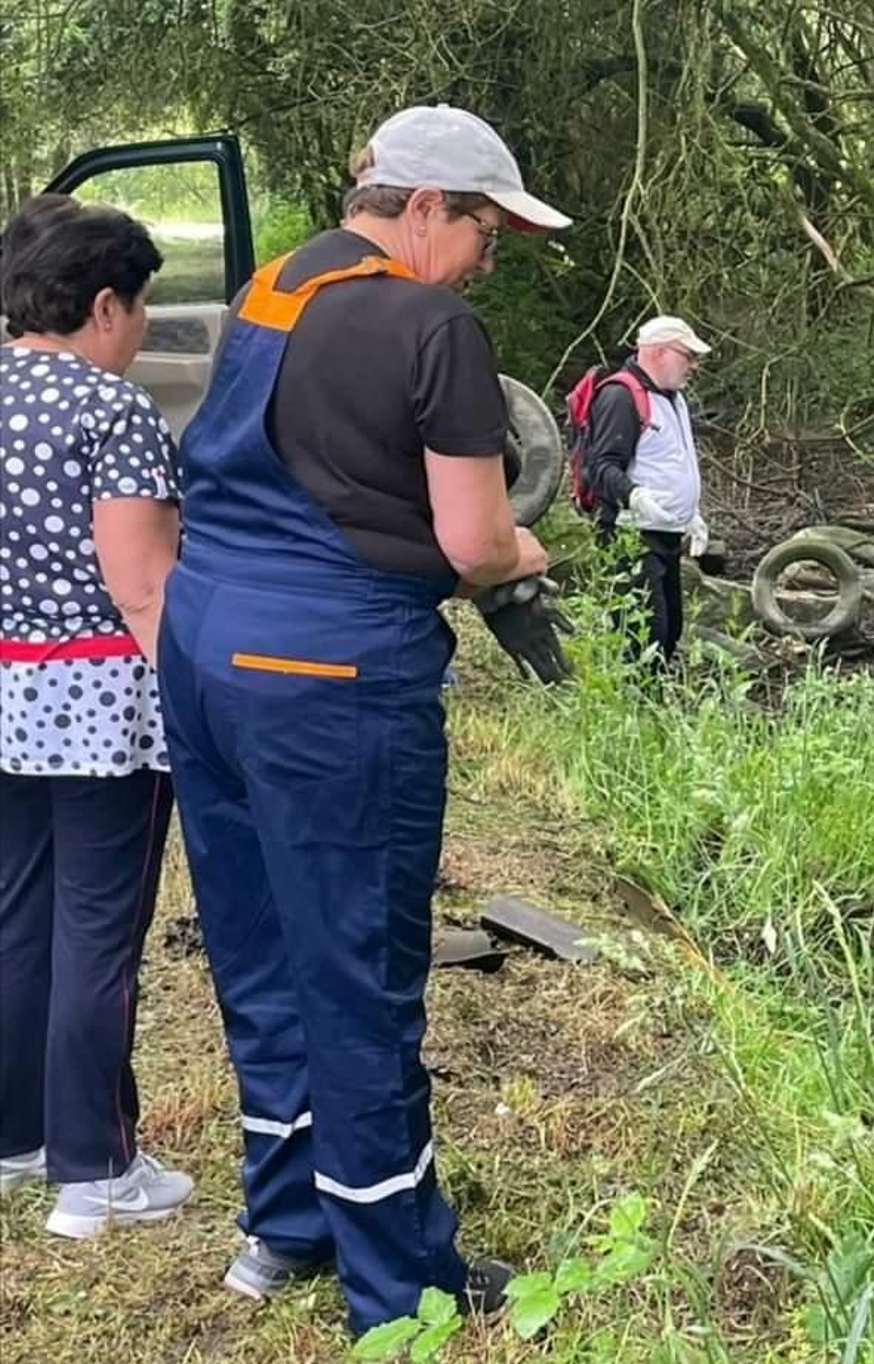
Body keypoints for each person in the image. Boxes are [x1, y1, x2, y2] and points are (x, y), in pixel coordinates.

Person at [155, 105, 567, 1334]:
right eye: (486, 226)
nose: (490, 255)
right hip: (327, 673)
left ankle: (284, 1222)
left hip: (205, 646)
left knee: (262, 946)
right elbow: (476, 540)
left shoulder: (275, 284)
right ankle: (399, 1282)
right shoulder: (430, 320)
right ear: (427, 206)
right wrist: (524, 545)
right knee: (359, 969)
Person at [0, 195, 193, 1234]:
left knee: (16, 915)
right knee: (98, 930)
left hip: (3, 688)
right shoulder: (109, 411)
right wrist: (202, 705)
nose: (147, 327)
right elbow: (143, 586)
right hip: (100, 703)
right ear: (105, 303)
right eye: (146, 305)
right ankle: (94, 1169)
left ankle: (15, 1137)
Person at [581, 315, 712, 663]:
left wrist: (691, 513)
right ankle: (637, 706)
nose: (694, 366)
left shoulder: (673, 398)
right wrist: (634, 495)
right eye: (688, 356)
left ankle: (653, 706)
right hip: (631, 537)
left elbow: (670, 461)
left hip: (667, 534)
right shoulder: (621, 397)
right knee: (642, 638)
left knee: (670, 631)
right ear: (658, 353)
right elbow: (600, 467)